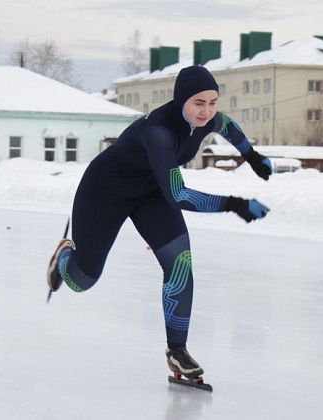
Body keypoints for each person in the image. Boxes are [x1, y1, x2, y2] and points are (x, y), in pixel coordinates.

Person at [45, 66, 273, 382]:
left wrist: (252, 156)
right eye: (198, 103)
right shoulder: (158, 133)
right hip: (105, 192)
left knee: (180, 262)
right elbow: (179, 195)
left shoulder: (208, 118)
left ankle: (177, 351)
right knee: (82, 281)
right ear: (181, 100)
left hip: (150, 191)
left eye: (212, 102)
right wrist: (234, 204)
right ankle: (65, 260)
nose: (207, 111)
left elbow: (229, 126)